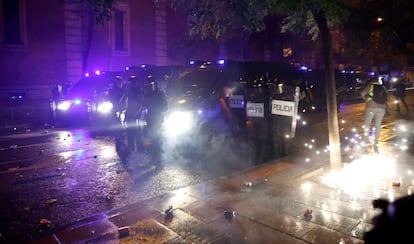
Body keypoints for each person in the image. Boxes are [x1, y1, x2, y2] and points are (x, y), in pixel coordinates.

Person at [143, 76, 168, 163]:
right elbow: (144, 104)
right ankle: (155, 154)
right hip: (150, 117)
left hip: (157, 117)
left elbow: (165, 106)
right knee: (152, 136)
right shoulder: (148, 94)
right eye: (149, 85)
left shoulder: (160, 94)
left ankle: (158, 154)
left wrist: (159, 110)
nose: (151, 86)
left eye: (152, 84)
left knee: (157, 136)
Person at [360, 78, 388, 153]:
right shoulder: (383, 87)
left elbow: (362, 94)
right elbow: (386, 98)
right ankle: (376, 142)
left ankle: (366, 140)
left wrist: (366, 100)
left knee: (367, 125)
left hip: (371, 107)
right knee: (378, 125)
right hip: (382, 108)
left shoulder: (371, 86)